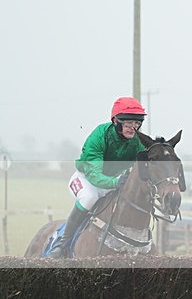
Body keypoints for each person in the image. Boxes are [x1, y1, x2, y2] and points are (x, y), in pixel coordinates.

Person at [47, 97, 147, 258]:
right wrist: (117, 182)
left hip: (113, 182)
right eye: (128, 123)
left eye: (136, 123)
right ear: (116, 121)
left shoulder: (137, 141)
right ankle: (62, 243)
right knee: (89, 197)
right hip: (86, 180)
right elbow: (95, 176)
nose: (133, 128)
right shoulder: (100, 136)